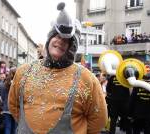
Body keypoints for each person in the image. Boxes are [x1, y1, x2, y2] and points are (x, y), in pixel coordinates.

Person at [8, 2, 107, 134]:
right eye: (56, 36)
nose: (60, 41)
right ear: (49, 38)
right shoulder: (24, 71)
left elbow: (98, 120)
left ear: (72, 48)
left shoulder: (87, 79)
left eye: (66, 40)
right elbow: (14, 106)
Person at [1, 67, 17, 134]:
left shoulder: (5, 83)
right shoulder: (17, 83)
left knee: (7, 127)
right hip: (15, 108)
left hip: (6, 108)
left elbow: (2, 96)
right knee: (15, 127)